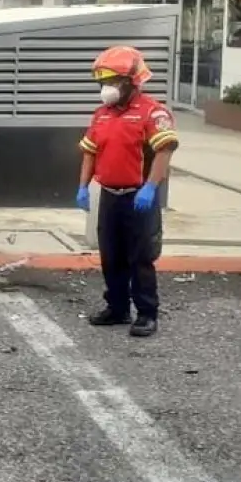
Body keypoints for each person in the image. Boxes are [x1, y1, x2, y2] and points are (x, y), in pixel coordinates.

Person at [77, 46, 179, 338]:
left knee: (141, 258)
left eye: (112, 82)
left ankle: (147, 314)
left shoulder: (152, 113)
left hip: (139, 197)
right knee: (111, 256)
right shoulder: (101, 115)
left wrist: (150, 188)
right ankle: (118, 308)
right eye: (103, 83)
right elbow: (89, 153)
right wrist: (83, 187)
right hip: (109, 195)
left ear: (132, 82)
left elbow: (164, 151)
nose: (106, 89)